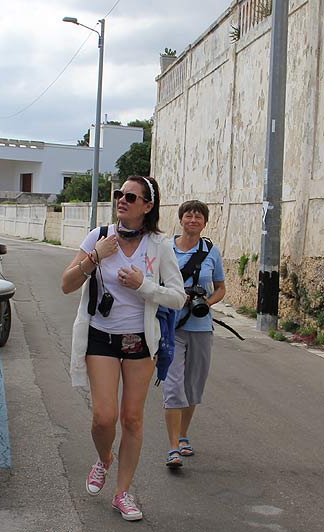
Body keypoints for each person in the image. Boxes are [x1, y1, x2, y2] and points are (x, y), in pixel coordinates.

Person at [62, 176, 185, 521]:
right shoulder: (99, 236)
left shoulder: (159, 245)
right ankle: (104, 459)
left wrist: (144, 285)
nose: (122, 200)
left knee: (132, 419)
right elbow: (66, 284)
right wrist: (94, 258)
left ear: (148, 206)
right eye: (119, 195)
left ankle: (122, 493)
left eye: (131, 197)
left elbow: (177, 296)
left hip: (140, 342)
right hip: (101, 337)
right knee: (104, 417)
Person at [163, 200, 226, 468]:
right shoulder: (166, 249)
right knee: (173, 385)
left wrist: (206, 303)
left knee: (193, 386)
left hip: (201, 327)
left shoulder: (211, 252)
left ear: (205, 222)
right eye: (188, 215)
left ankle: (184, 434)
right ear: (181, 219)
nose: (193, 219)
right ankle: (173, 447)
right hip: (172, 327)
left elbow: (220, 288)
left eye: (198, 216)